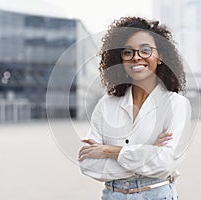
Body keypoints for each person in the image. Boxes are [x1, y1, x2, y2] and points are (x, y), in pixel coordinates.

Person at [78, 16, 191, 200]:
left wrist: (108, 151)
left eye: (145, 50)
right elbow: (88, 163)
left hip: (156, 194)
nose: (136, 57)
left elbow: (165, 162)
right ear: (120, 59)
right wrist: (148, 152)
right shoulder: (106, 105)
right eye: (128, 52)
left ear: (160, 56)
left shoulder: (176, 105)